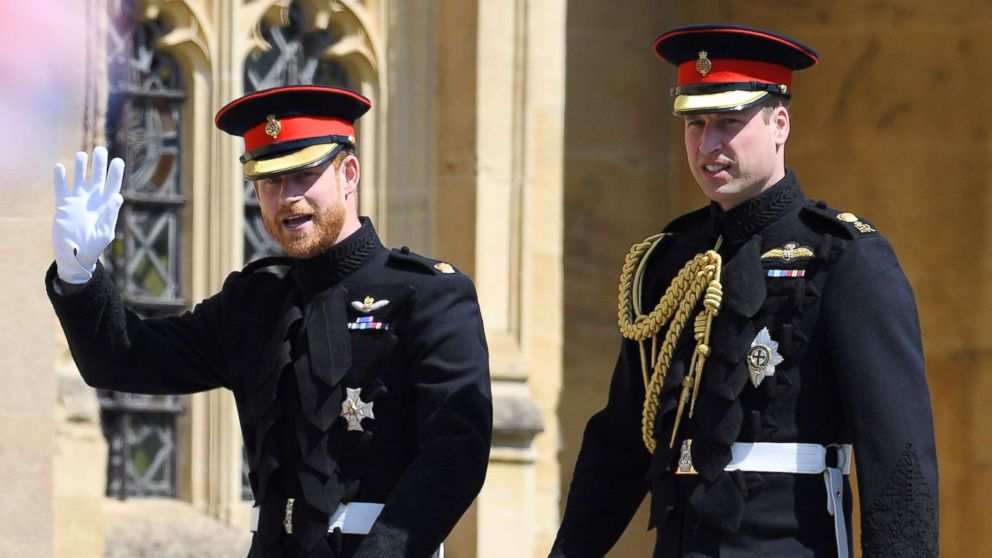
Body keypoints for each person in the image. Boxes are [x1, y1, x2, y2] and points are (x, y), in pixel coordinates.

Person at [47, 85, 492, 558]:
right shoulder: (255, 305)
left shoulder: (428, 294)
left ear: (349, 174)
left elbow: (456, 452)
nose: (289, 198)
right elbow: (123, 361)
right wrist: (80, 276)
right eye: (270, 182)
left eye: (303, 175)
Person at [550, 24, 938, 558]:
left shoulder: (844, 255)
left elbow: (898, 453)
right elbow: (620, 442)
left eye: (729, 123)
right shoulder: (667, 259)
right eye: (696, 124)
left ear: (779, 123)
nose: (708, 145)